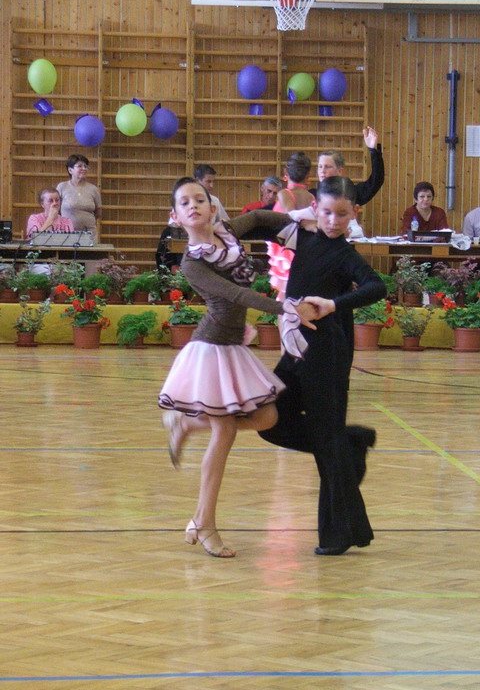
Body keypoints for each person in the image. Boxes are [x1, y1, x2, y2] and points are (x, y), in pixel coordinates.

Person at [158, 177, 317, 559]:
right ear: (176, 217)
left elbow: (261, 217)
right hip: (210, 349)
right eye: (185, 202)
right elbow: (236, 294)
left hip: (231, 345)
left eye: (200, 199)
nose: (194, 205)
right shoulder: (192, 263)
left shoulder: (227, 232)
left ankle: (187, 424)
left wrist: (301, 222)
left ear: (212, 208)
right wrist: (286, 308)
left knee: (266, 417)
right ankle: (205, 523)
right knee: (225, 430)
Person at [259, 176, 386, 556]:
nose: (333, 221)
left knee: (326, 441)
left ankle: (337, 536)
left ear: (354, 213)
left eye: (342, 214)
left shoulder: (345, 254)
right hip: (295, 349)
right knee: (267, 418)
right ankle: (350, 442)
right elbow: (261, 222)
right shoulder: (303, 236)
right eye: (327, 212)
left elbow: (376, 286)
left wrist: (334, 304)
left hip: (327, 351)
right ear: (316, 208)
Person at [310, 127, 385, 207]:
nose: (322, 171)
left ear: (340, 171)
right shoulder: (311, 196)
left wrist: (373, 150)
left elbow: (376, 181)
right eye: (320, 167)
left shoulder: (349, 194)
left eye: (327, 167)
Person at [56, 154, 102, 242]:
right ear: (70, 170)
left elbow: (98, 213)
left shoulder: (94, 189)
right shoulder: (62, 187)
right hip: (67, 234)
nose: (84, 169)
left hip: (89, 234)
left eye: (86, 166)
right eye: (80, 166)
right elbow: (56, 210)